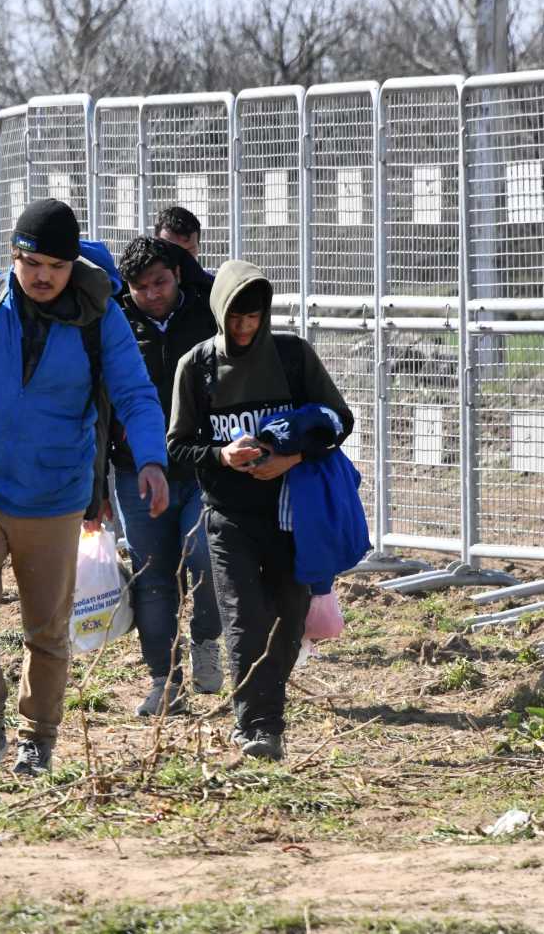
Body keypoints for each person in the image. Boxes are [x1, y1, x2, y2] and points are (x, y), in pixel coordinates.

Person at [0, 199, 170, 776]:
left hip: (56, 496)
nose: (42, 275)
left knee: (45, 627)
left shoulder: (101, 318)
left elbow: (137, 394)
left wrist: (151, 459)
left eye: (55, 265)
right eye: (30, 261)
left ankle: (36, 737)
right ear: (12, 256)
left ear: (73, 266)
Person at [167, 259, 352, 761]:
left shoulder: (292, 356)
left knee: (288, 621)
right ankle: (260, 727)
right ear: (219, 312)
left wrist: (291, 457)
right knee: (245, 619)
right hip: (229, 517)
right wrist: (222, 455)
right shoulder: (198, 366)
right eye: (235, 317)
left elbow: (340, 421)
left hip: (293, 516)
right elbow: (179, 446)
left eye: (253, 317)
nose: (244, 327)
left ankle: (264, 705)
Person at [108, 236, 223, 717]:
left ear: (178, 275)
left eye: (160, 282)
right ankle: (164, 682)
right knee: (152, 575)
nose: (152, 294)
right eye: (140, 287)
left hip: (201, 464)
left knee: (206, 557)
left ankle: (207, 639)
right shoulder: (114, 320)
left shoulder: (205, 311)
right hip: (135, 469)